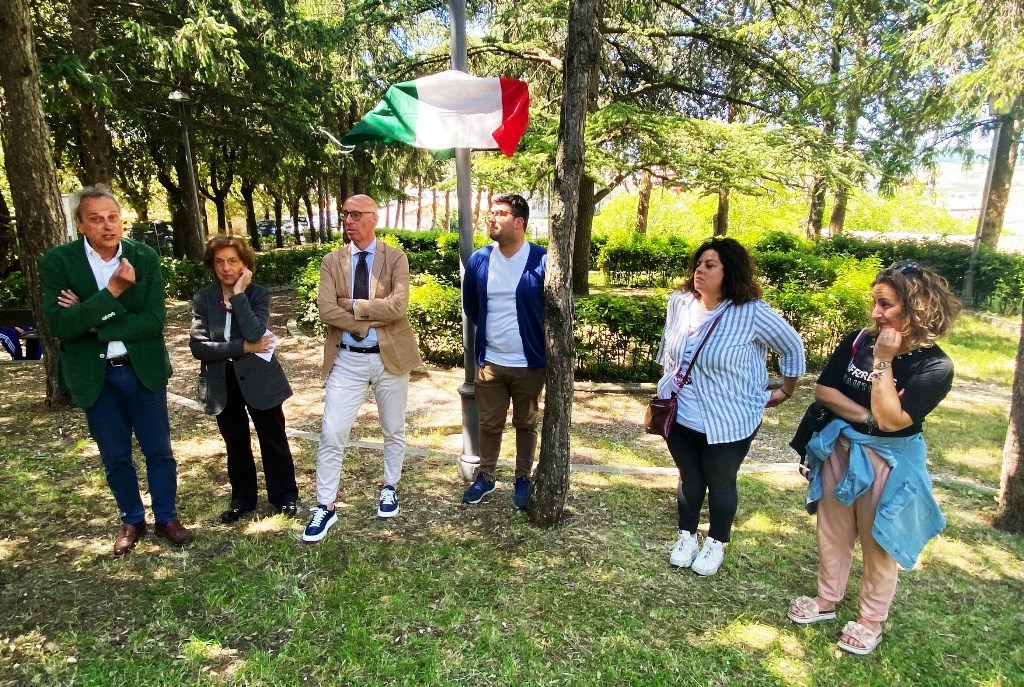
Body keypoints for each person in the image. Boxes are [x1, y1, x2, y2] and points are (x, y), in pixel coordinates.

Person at [787, 262, 961, 656]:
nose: (876, 313)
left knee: (878, 540)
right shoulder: (857, 341)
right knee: (832, 529)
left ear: (917, 307)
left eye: (886, 304)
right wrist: (867, 418)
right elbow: (825, 392)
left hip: (890, 462)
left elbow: (893, 420)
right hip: (841, 448)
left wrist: (883, 360)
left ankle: (871, 621)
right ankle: (826, 599)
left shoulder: (935, 366)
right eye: (875, 303)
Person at [39, 185, 192, 556]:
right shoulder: (59, 262)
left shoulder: (144, 256)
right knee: (115, 454)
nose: (108, 226)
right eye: (96, 219)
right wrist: (114, 291)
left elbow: (153, 321)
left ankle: (166, 517)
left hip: (142, 369)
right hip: (95, 375)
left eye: (113, 217)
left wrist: (91, 319)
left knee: (159, 450)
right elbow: (60, 325)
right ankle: (132, 519)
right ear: (80, 224)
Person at [656, 237, 804, 576]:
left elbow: (792, 345)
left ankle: (716, 542)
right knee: (690, 478)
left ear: (730, 271)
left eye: (710, 265)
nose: (700, 270)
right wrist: (667, 384)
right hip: (680, 414)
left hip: (729, 418)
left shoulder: (751, 313)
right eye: (698, 263)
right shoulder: (680, 302)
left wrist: (786, 389)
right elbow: (668, 346)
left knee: (720, 482)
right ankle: (686, 537)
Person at [302, 194, 423, 543]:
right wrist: (366, 319)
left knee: (393, 428)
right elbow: (327, 310)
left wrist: (352, 305)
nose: (348, 221)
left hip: (389, 357)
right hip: (347, 359)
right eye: (345, 215)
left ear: (374, 218)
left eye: (356, 214)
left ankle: (390, 487)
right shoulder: (332, 261)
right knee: (332, 432)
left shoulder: (395, 257)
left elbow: (398, 306)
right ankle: (325, 506)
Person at [189, 235, 299, 523]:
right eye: (219, 262)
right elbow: (199, 348)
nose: (226, 268)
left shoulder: (258, 294)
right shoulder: (204, 298)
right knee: (235, 442)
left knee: (273, 438)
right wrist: (244, 348)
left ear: (245, 264)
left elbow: (255, 332)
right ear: (212, 266)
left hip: (260, 377)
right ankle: (242, 499)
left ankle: (284, 496)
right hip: (222, 380)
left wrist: (238, 295)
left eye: (232, 261)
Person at [461, 193, 546, 508]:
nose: (492, 218)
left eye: (500, 213)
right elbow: (472, 306)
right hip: (491, 362)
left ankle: (522, 478)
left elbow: (555, 309)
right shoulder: (480, 260)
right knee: (489, 423)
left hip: (529, 363)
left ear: (519, 222)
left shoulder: (542, 260)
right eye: (491, 213)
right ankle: (486, 477)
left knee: (526, 423)